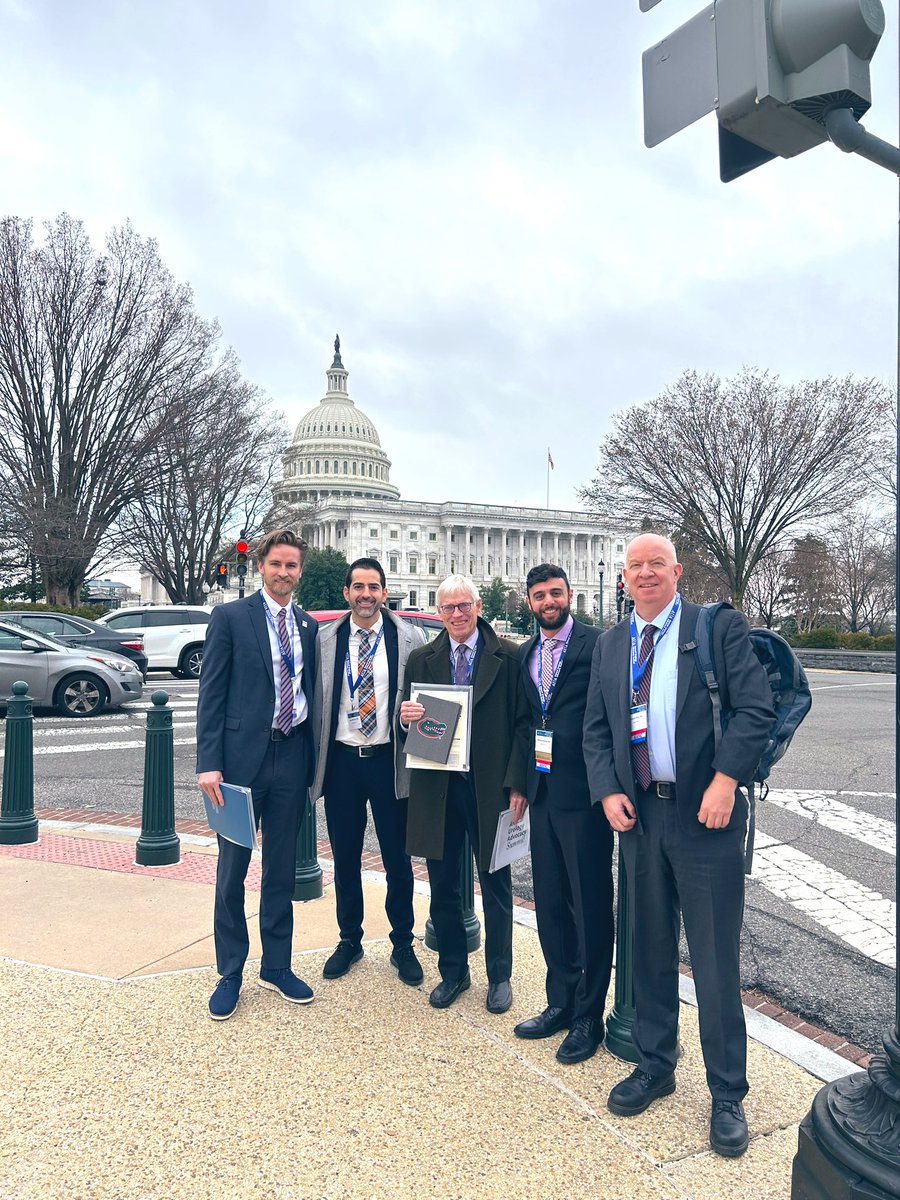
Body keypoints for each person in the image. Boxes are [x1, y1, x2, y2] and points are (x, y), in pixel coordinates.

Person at [583, 533, 774, 1157]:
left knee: (716, 960)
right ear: (623, 576)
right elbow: (596, 730)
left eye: (655, 565)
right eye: (634, 566)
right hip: (640, 820)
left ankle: (726, 1093)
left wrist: (726, 781)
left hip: (705, 818)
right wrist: (608, 791)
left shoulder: (717, 630)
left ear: (676, 571)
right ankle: (656, 1063)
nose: (644, 574)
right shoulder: (614, 645)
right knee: (650, 949)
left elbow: (755, 711)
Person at [197, 529, 318, 1021]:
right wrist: (209, 762)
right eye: (277, 564)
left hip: (291, 758)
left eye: (292, 566)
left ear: (299, 571)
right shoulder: (230, 618)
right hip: (242, 760)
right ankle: (230, 971)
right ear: (261, 566)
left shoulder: (310, 626)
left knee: (281, 869)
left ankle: (277, 964)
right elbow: (212, 692)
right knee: (233, 870)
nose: (284, 572)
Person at [399, 575, 529, 1014]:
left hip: (490, 787)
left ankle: (499, 976)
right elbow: (407, 719)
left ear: (477, 607)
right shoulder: (421, 660)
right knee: (443, 885)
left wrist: (518, 785)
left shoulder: (508, 657)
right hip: (440, 786)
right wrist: (406, 717)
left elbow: (523, 727)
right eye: (448, 608)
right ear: (438, 613)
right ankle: (453, 971)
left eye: (464, 606)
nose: (457, 614)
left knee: (496, 885)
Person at [513, 564, 614, 1065]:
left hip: (587, 795)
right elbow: (526, 722)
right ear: (529, 601)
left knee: (589, 905)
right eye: (539, 596)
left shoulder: (598, 645)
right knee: (551, 904)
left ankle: (588, 1016)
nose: (548, 601)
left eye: (555, 593)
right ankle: (560, 1001)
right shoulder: (527, 653)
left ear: (569, 595)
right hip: (543, 793)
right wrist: (518, 785)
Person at [310, 558, 425, 986]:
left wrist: (416, 714)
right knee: (345, 858)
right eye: (358, 587)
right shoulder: (326, 639)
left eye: (373, 587)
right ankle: (349, 939)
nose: (366, 595)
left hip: (387, 759)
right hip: (342, 762)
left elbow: (426, 694)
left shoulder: (407, 638)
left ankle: (402, 943)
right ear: (346, 593)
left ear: (384, 592)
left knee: (399, 858)